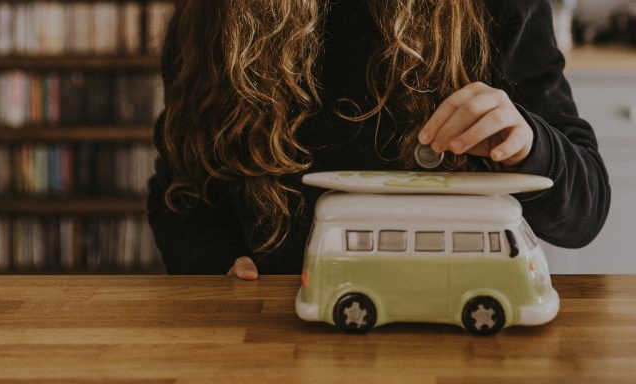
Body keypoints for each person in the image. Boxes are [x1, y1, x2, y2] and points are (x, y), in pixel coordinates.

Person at [148, 0, 610, 279]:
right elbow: (182, 190)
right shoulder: (213, 13)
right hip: (277, 335)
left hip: (457, 330)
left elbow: (585, 212)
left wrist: (530, 145)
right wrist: (214, 262)